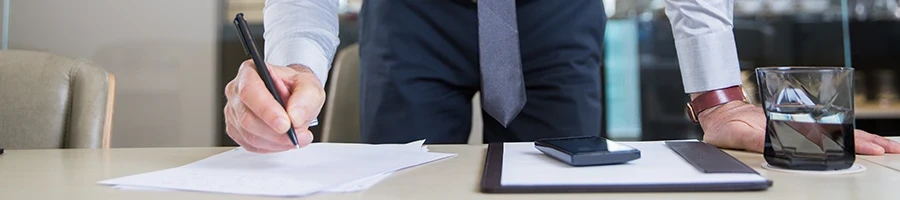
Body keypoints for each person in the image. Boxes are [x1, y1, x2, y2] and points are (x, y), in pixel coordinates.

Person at [223, 0, 900, 154]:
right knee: (401, 183)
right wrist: (296, 65)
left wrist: (717, 94)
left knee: (563, 187)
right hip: (411, 13)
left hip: (554, 15)